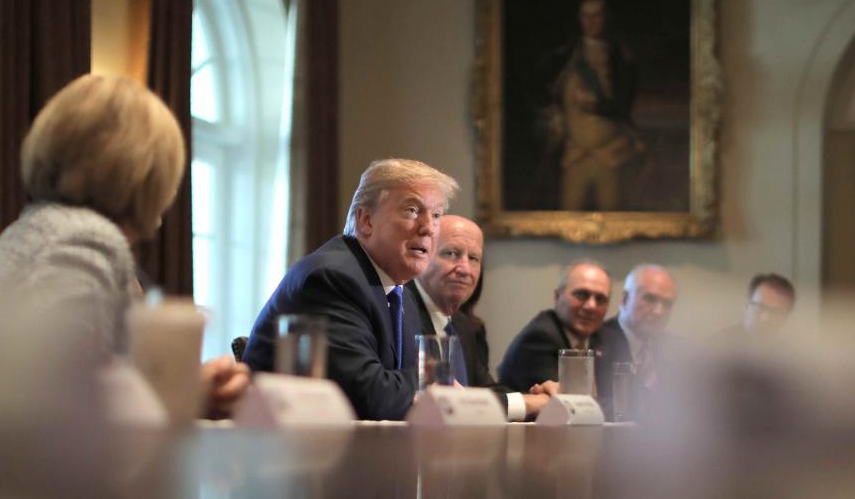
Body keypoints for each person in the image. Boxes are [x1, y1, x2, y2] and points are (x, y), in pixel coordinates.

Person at [0, 74, 248, 418]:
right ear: (147, 172)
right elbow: (63, 395)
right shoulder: (87, 238)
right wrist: (189, 394)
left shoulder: (30, 229)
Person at [242, 158, 458, 420]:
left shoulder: (402, 293)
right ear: (366, 220)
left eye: (435, 215)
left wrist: (429, 385)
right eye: (412, 210)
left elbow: (405, 391)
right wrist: (435, 379)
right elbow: (372, 398)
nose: (428, 228)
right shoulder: (332, 278)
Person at [407, 215, 555, 420]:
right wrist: (532, 403)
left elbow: (483, 390)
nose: (465, 269)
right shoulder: (400, 312)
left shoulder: (463, 325)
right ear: (422, 255)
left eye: (474, 258)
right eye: (451, 253)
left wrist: (538, 396)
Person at [536, 0, 642, 211]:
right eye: (585, 16)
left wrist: (597, 105)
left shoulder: (622, 57)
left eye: (596, 16)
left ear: (606, 19)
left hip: (612, 154)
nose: (590, 21)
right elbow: (543, 90)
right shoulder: (566, 55)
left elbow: (623, 104)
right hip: (575, 155)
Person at [498, 260, 617, 395]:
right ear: (557, 297)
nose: (591, 306)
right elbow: (566, 404)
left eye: (600, 299)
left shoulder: (607, 337)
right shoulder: (539, 338)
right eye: (581, 294)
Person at [599, 264, 677, 410]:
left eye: (667, 304)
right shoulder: (595, 342)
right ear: (624, 299)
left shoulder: (678, 349)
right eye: (649, 299)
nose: (658, 311)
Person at [712, 273, 795, 340]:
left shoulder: (792, 354)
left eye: (776, 312)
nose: (766, 318)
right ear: (746, 306)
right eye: (760, 308)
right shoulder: (716, 348)